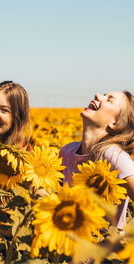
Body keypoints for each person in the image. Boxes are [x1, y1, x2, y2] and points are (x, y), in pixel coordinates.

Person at [59, 91, 134, 229]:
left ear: (114, 123)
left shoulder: (114, 157)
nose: (97, 96)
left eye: (109, 100)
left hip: (107, 248)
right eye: (104, 94)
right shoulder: (66, 152)